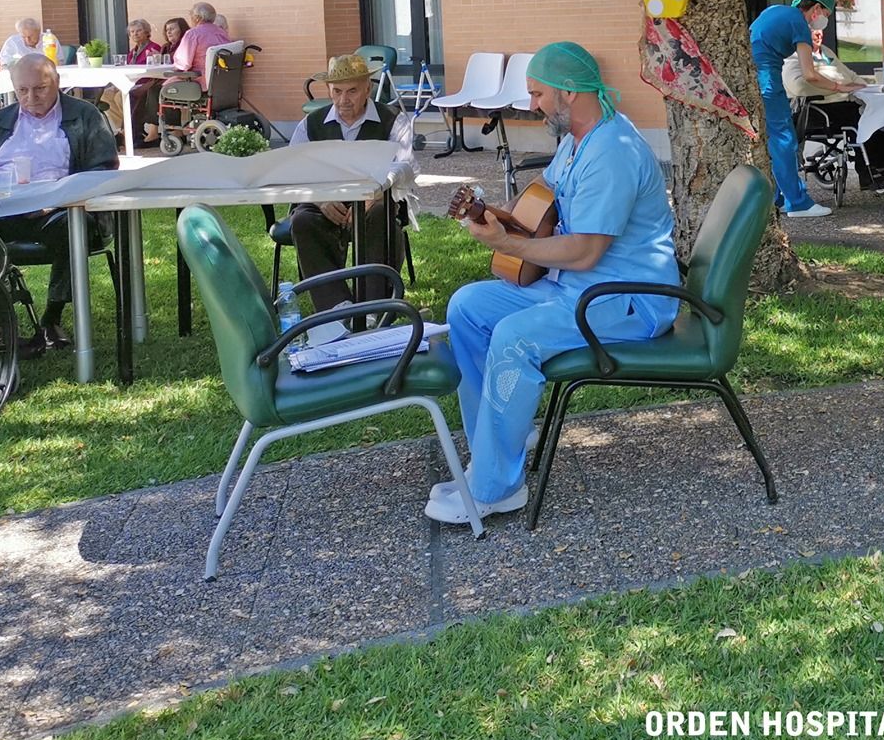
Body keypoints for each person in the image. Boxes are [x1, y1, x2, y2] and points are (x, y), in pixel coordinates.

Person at [432, 43, 679, 526]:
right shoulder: (575, 139)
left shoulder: (613, 152)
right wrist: (493, 217)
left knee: (512, 336)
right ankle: (500, 440)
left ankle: (495, 489)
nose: (530, 105)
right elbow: (541, 212)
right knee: (468, 307)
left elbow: (586, 250)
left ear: (569, 91)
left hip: (625, 298)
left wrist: (510, 244)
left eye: (537, 93)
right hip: (576, 287)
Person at [0, 53, 119, 351]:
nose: (30, 97)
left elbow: (103, 168)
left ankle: (52, 318)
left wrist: (57, 199)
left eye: (40, 88)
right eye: (22, 91)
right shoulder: (1, 121)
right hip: (4, 212)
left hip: (60, 211)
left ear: (56, 83)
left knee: (74, 226)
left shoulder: (84, 116)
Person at [284, 54, 401, 311]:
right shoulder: (312, 123)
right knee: (303, 220)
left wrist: (376, 192)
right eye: (336, 92)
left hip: (376, 200)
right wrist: (320, 199)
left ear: (368, 89)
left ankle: (374, 308)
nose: (343, 100)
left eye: (352, 91)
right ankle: (336, 309)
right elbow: (293, 169)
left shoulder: (392, 119)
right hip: (325, 200)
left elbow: (405, 164)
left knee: (382, 214)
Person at [749, 0, 862, 219]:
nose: (823, 22)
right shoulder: (799, 24)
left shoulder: (775, 10)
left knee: (771, 142)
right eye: (826, 15)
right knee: (785, 141)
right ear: (816, 9)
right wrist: (838, 87)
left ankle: (776, 198)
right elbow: (809, 74)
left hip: (749, 80)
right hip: (768, 80)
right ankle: (798, 203)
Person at [785, 19, 884, 193]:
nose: (818, 34)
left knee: (881, 110)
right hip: (818, 109)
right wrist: (838, 89)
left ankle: (883, 168)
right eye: (813, 31)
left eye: (820, 30)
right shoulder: (794, 56)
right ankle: (867, 173)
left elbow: (850, 75)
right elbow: (798, 86)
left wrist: (863, 87)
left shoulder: (825, 52)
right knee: (865, 116)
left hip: (841, 104)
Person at [170, 3, 231, 82]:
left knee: (157, 89)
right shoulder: (222, 32)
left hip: (198, 80)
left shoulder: (193, 34)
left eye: (191, 14)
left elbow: (183, 63)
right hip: (221, 80)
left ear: (197, 17)